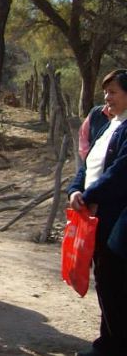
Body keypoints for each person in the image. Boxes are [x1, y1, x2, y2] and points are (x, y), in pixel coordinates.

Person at [68, 69, 127, 356]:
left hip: (118, 219)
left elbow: (120, 172)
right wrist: (74, 190)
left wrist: (89, 195)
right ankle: (107, 343)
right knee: (105, 281)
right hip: (96, 216)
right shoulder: (108, 125)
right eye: (106, 91)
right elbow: (89, 164)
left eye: (113, 91)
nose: (107, 97)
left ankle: (112, 347)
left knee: (114, 283)